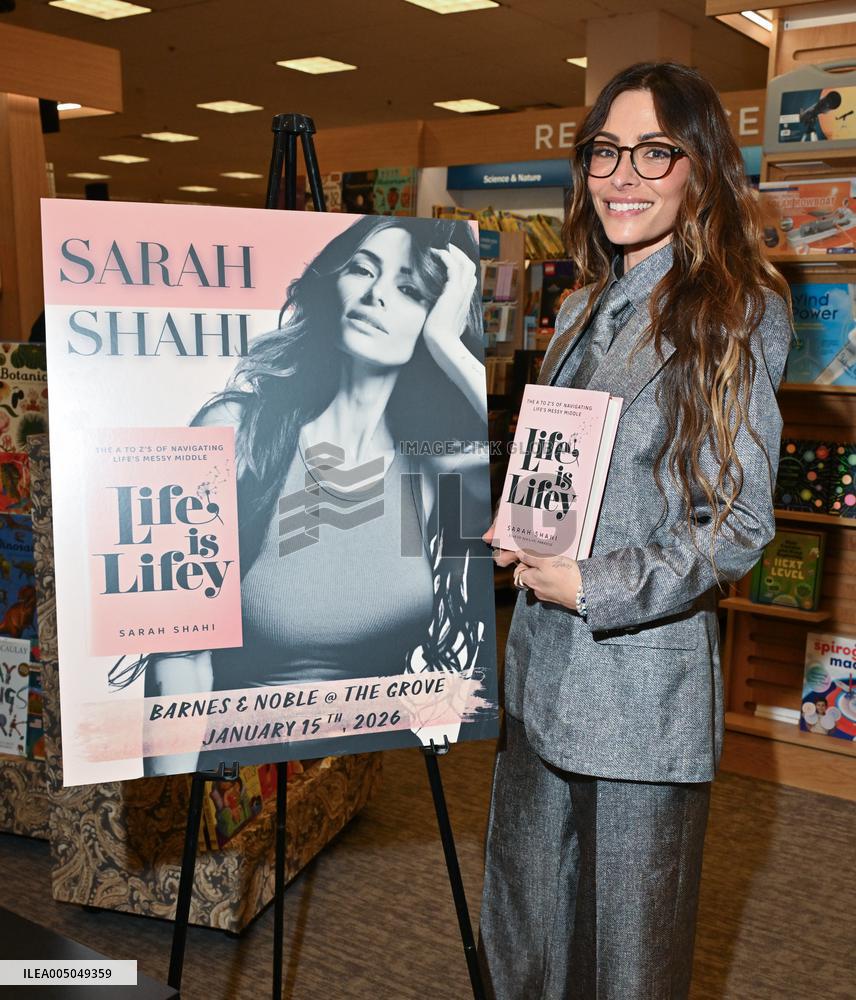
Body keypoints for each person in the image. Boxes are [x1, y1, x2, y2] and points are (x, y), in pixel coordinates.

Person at [479, 62, 793, 1000]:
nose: (622, 175)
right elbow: (570, 465)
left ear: (701, 168)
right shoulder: (579, 305)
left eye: (655, 151)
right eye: (604, 151)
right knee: (523, 939)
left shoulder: (739, 310)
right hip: (538, 674)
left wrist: (597, 584)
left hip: (638, 693)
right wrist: (521, 529)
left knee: (627, 964)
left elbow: (737, 522)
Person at [106, 216, 495, 775]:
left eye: (410, 290)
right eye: (361, 268)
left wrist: (449, 348)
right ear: (330, 282)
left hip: (364, 747)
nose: (373, 295)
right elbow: (180, 661)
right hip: (234, 765)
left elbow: (539, 502)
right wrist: (179, 792)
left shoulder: (442, 467)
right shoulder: (233, 430)